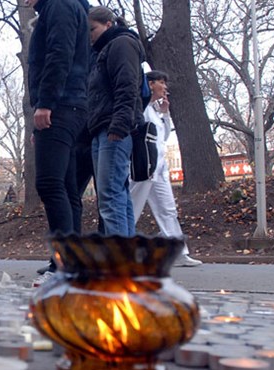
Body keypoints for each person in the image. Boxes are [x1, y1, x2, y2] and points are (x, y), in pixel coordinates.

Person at [25, 0, 91, 285]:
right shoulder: (66, 6)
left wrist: (46, 103)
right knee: (66, 186)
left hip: (62, 103)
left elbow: (59, 53)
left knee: (50, 184)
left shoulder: (60, 6)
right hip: (72, 105)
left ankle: (63, 265)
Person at [130, 71, 203, 267]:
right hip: (143, 167)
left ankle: (178, 253)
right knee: (132, 209)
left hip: (159, 169)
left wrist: (165, 113)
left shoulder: (155, 110)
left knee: (168, 209)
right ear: (150, 84)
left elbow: (163, 138)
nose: (165, 87)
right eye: (161, 82)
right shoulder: (141, 106)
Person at [87, 6, 144, 237]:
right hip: (102, 128)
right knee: (117, 195)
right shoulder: (103, 50)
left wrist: (119, 125)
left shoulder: (121, 44)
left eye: (92, 29)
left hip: (114, 128)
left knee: (110, 196)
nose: (89, 34)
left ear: (108, 24)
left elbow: (127, 87)